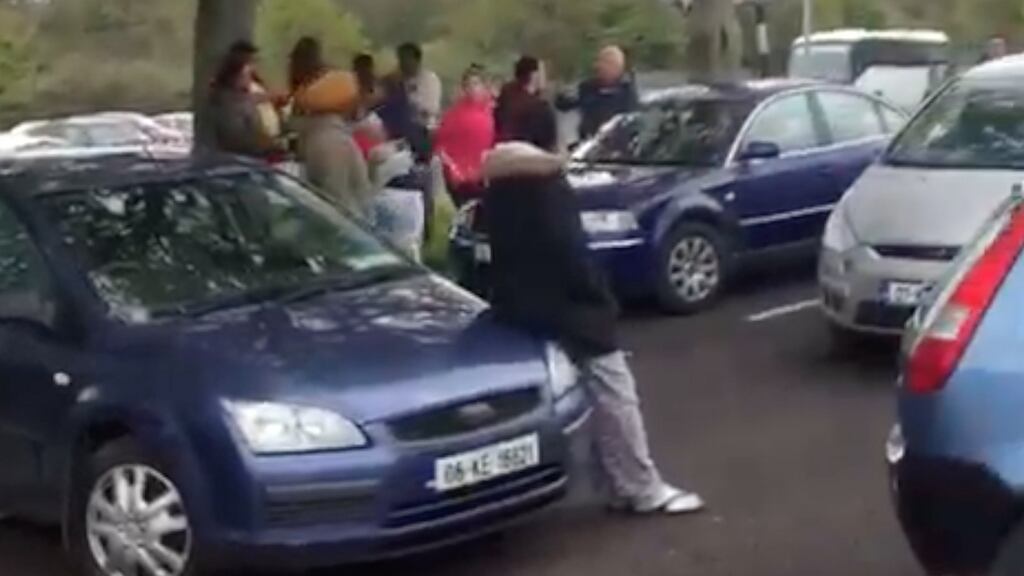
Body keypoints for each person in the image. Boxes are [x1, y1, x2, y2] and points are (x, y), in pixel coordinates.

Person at [482, 100, 704, 515]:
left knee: (578, 397)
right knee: (615, 392)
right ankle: (641, 486)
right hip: (572, 308)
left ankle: (616, 485)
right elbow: (569, 250)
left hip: (521, 304)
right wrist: (599, 295)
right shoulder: (547, 184)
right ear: (548, 136)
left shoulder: (498, 183)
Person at [287, 37, 373, 219]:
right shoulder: (331, 82)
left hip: (321, 141)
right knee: (356, 195)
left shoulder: (304, 92)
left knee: (335, 201)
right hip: (339, 136)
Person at [208, 40, 284, 159]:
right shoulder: (227, 101)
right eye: (246, 74)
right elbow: (237, 137)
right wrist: (269, 145)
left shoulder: (241, 95)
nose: (250, 78)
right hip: (243, 158)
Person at [434, 65, 496, 206]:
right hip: (458, 176)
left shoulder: (494, 113)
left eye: (476, 84)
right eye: (467, 85)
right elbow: (441, 144)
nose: (472, 89)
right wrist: (452, 169)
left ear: (485, 86)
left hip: (485, 175)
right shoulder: (453, 114)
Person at [556, 45, 639, 142]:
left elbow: (632, 122)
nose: (598, 66)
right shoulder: (588, 87)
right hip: (589, 141)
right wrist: (561, 96)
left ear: (617, 67)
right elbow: (566, 103)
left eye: (605, 63)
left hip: (616, 143)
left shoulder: (626, 92)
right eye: (599, 62)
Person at [494, 56, 546, 142]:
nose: (544, 77)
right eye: (542, 72)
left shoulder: (507, 92)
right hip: (525, 149)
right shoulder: (536, 105)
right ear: (534, 75)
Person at [397, 42, 443, 131]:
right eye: (400, 59)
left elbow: (431, 109)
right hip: (401, 126)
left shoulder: (429, 79)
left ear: (416, 59)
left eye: (406, 59)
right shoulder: (399, 80)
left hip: (424, 127)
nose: (402, 63)